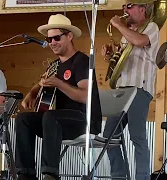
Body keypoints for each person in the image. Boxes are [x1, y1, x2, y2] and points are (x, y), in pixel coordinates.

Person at [15, 14, 102, 180]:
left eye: (56, 38)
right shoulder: (54, 65)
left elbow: (85, 96)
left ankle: (50, 174)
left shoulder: (82, 61)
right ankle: (25, 174)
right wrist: (32, 93)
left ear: (69, 36)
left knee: (50, 116)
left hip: (84, 120)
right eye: (49, 40)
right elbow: (42, 82)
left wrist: (59, 83)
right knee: (23, 119)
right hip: (57, 123)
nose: (52, 43)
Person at [101, 0, 159, 179]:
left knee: (137, 137)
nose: (124, 10)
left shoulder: (151, 27)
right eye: (123, 7)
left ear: (142, 9)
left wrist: (118, 24)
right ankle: (119, 176)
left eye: (129, 6)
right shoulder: (126, 35)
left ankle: (142, 177)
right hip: (121, 89)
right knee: (108, 136)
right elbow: (121, 64)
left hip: (139, 88)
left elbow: (140, 41)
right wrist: (111, 57)